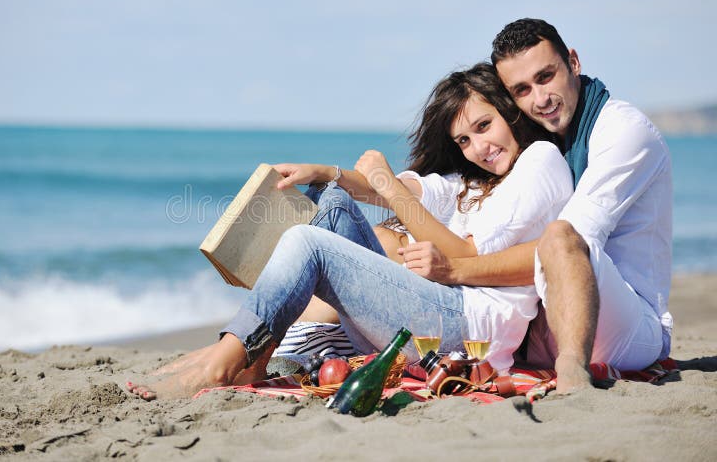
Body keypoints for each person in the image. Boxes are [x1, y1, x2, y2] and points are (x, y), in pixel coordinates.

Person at [125, 63, 573, 400]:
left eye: (484, 125)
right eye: (464, 141)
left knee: (308, 243)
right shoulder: (468, 182)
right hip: (434, 311)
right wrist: (325, 171)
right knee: (334, 202)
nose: (479, 147)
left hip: (468, 331)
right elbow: (390, 191)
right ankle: (252, 351)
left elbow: (466, 258)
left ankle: (229, 359)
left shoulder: (538, 163)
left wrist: (387, 186)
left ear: (509, 112)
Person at [426, 19, 673, 393]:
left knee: (560, 235)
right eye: (522, 89)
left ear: (573, 62)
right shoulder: (545, 136)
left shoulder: (622, 131)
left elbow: (567, 245)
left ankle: (572, 376)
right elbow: (445, 188)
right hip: (548, 315)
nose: (539, 99)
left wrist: (456, 270)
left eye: (546, 76)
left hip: (630, 326)